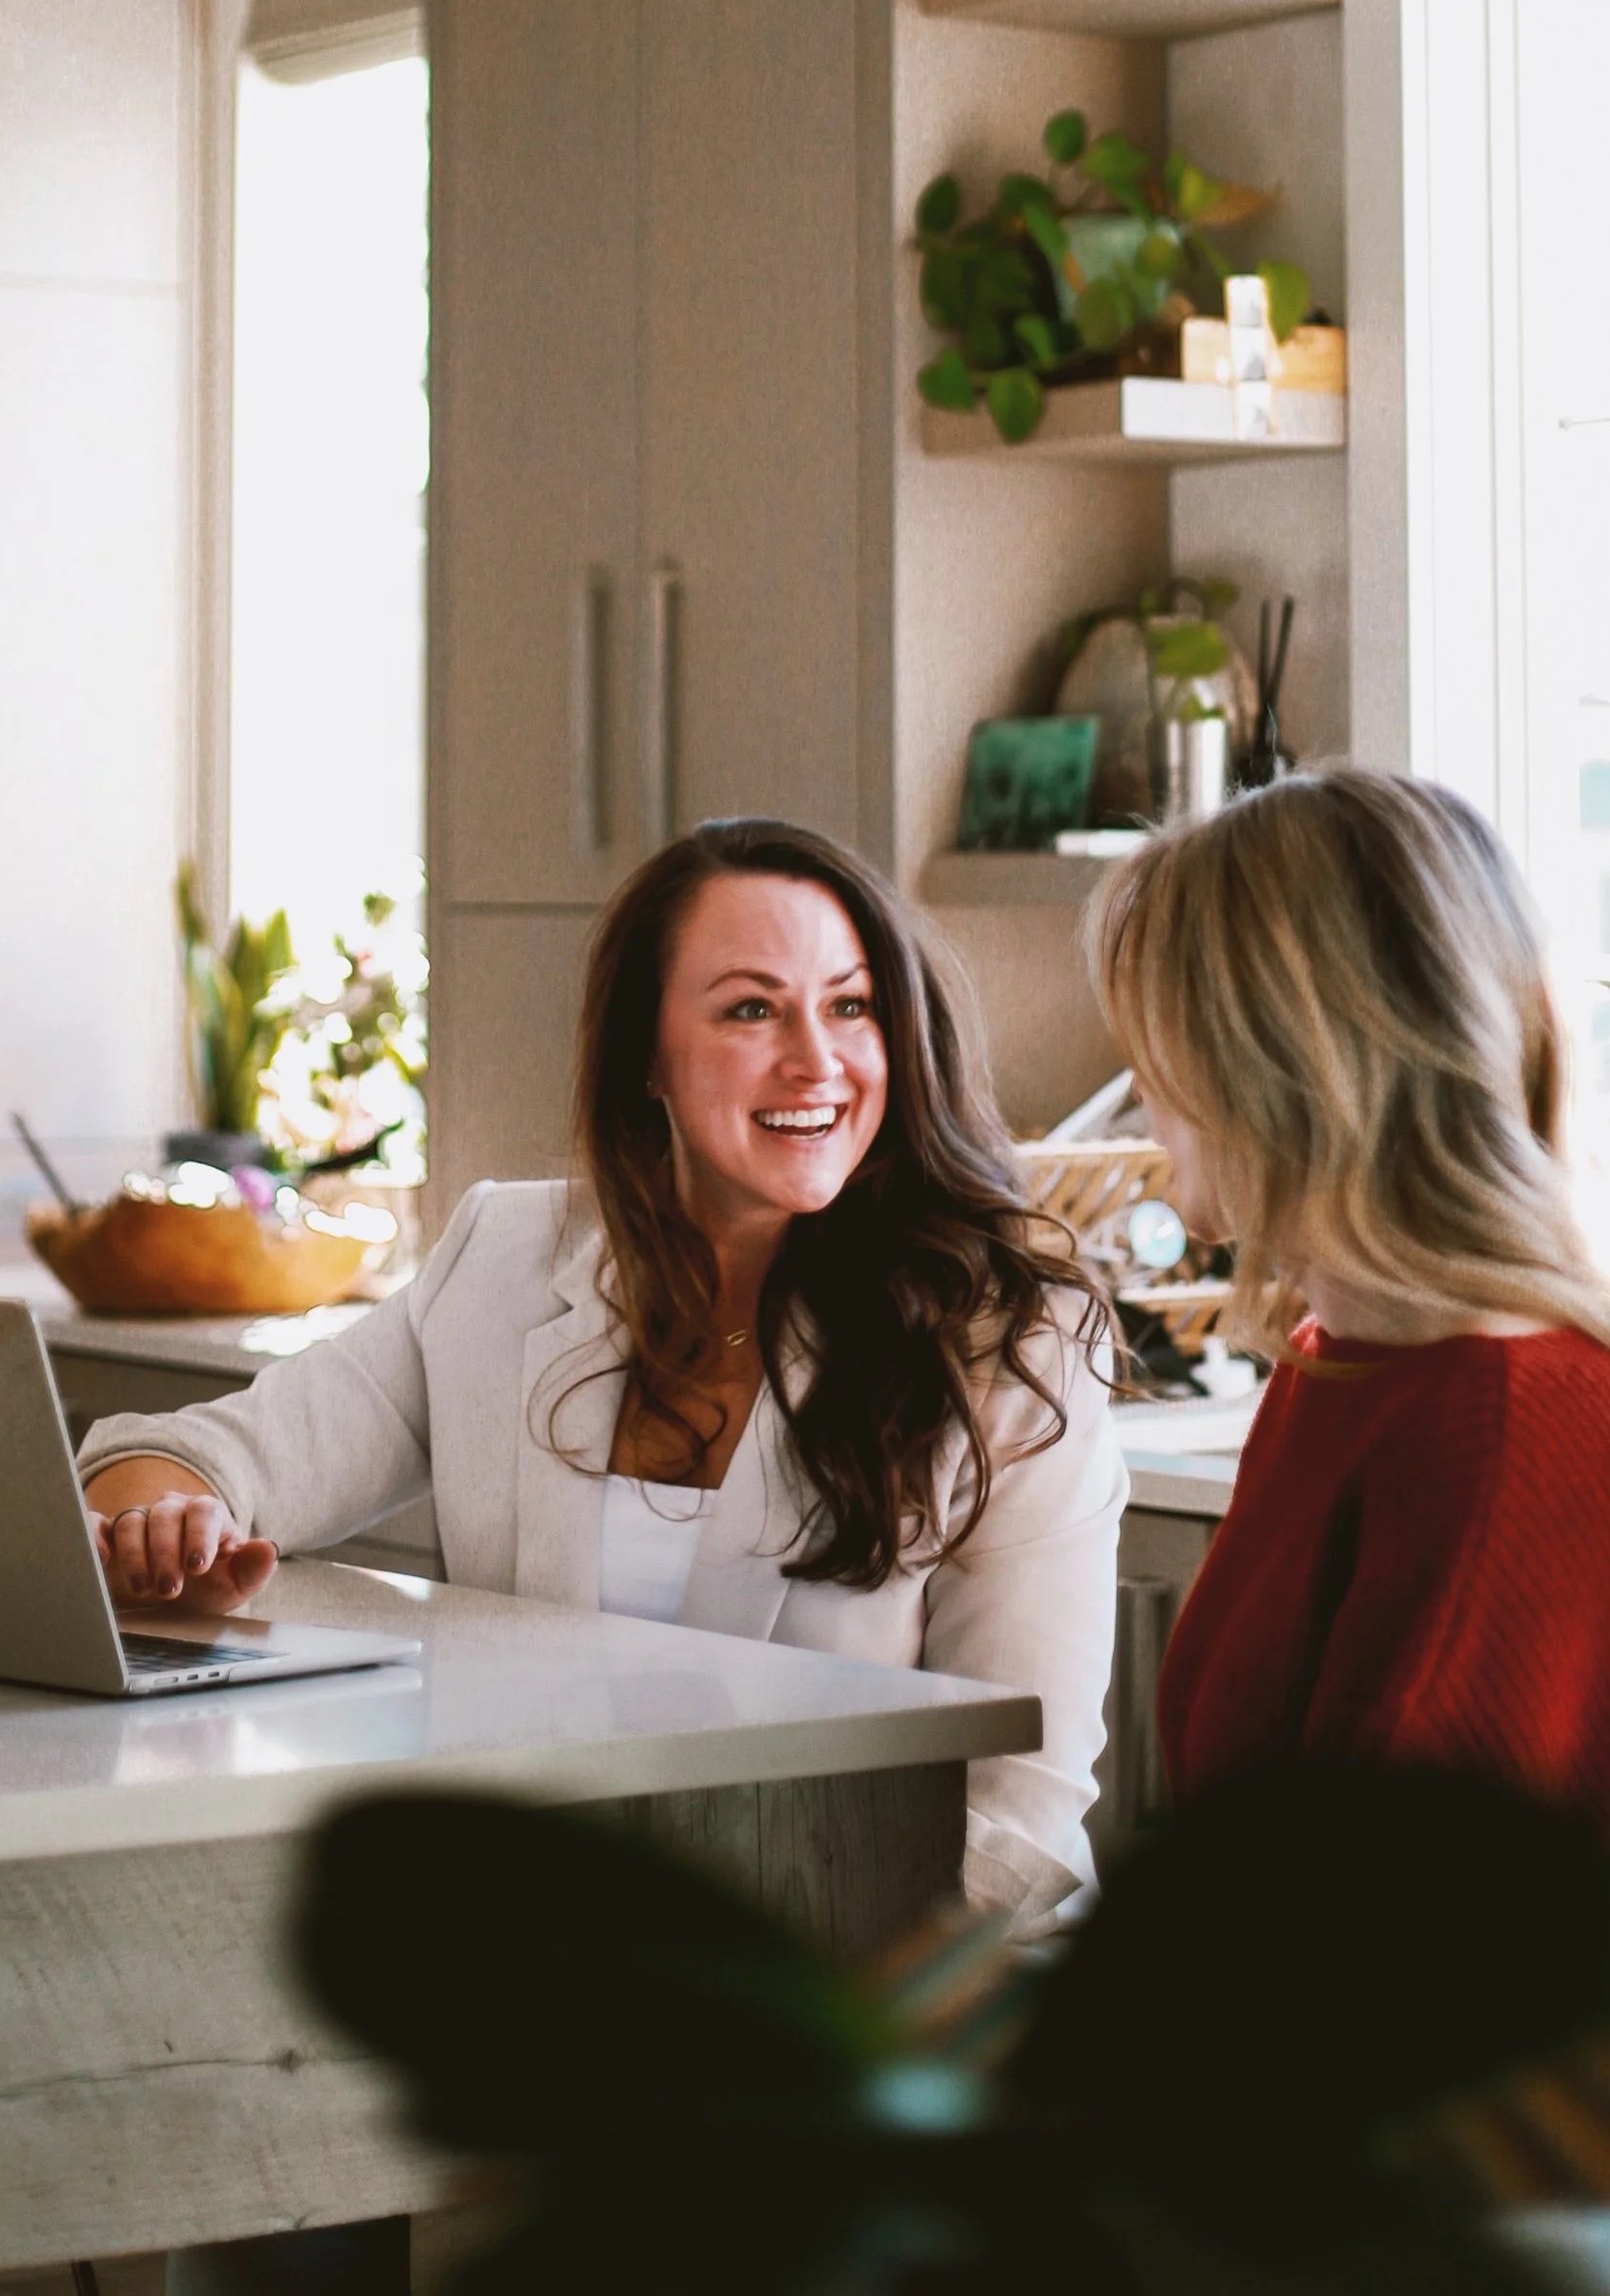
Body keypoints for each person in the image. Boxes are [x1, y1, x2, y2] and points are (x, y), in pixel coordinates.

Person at [83, 817, 1128, 1926]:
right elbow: (204, 1456)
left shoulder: (1010, 1333)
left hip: (893, 1981)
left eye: (851, 1005)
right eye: (750, 1009)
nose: (815, 1059)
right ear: (647, 1056)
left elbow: (1022, 1804)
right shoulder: (506, 1258)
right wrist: (159, 1518)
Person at [1085, 767, 1610, 1838]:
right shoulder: (1342, 1360)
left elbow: (1398, 1969)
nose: (1142, 1091)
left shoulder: (1515, 1428)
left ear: (1278, 1066)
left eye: (1162, 1040)